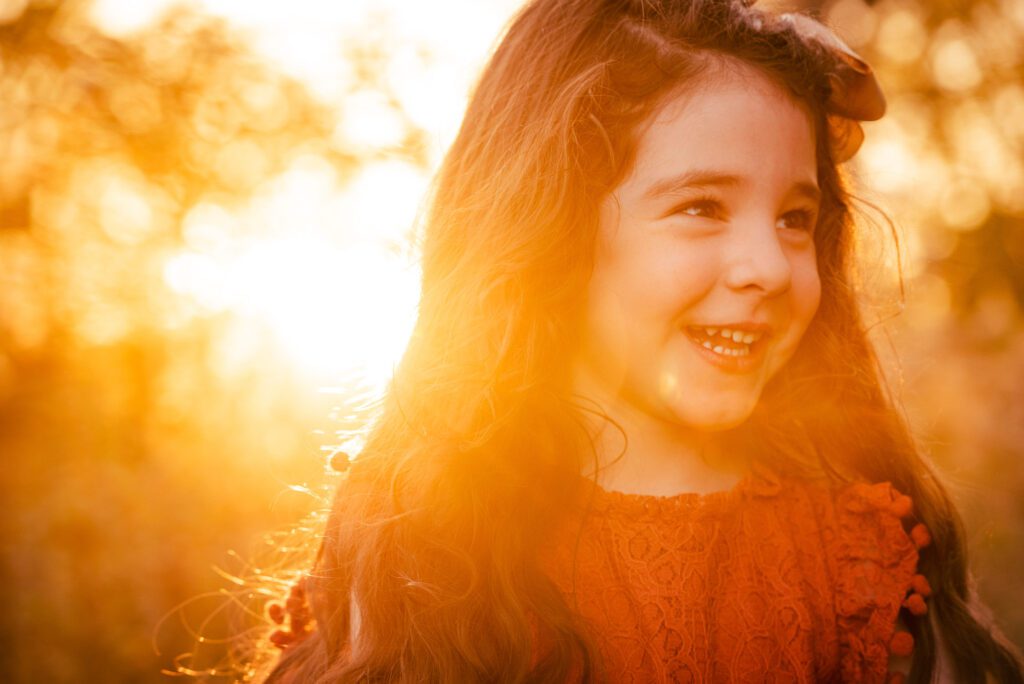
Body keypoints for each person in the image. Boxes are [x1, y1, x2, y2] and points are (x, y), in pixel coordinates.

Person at [254, 0, 1024, 681]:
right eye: (701, 207)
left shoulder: (861, 564)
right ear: (554, 231)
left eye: (795, 218)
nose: (767, 265)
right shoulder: (424, 556)